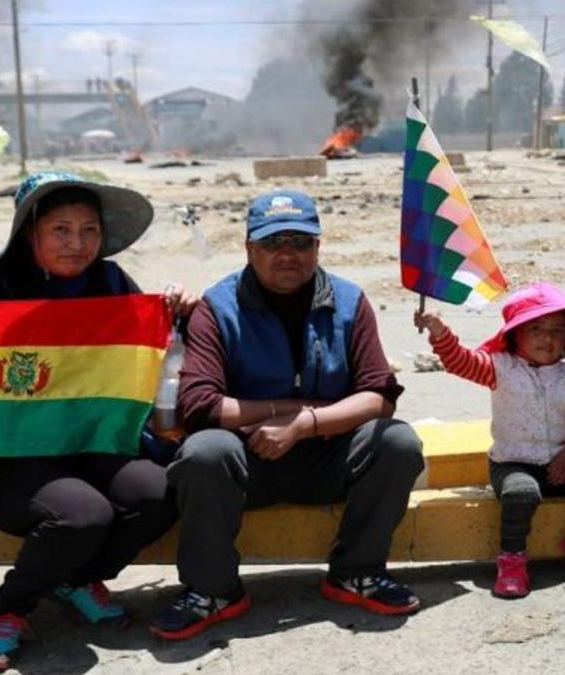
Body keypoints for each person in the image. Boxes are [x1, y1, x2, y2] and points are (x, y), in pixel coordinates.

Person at [0, 171, 197, 671]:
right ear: (30, 233)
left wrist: (178, 315)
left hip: (89, 446)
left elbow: (148, 356)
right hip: (4, 461)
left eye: (89, 231)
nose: (77, 244)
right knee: (84, 515)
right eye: (60, 230)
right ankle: (8, 608)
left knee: (160, 492)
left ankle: (75, 577)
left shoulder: (111, 284)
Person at [152, 189, 425, 641]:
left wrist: (305, 425)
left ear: (318, 247)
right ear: (249, 249)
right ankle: (212, 590)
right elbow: (200, 405)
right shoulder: (218, 308)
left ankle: (356, 572)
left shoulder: (349, 301)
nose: (287, 255)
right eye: (273, 243)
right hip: (247, 463)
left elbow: (379, 395)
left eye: (300, 243)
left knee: (396, 441)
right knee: (204, 451)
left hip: (325, 457)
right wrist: (286, 410)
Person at [414, 282, 565, 598]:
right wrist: (439, 331)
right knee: (522, 493)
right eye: (536, 328)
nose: (547, 337)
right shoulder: (499, 368)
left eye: (557, 330)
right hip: (512, 465)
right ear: (515, 335)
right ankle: (512, 559)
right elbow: (459, 361)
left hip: (561, 465)